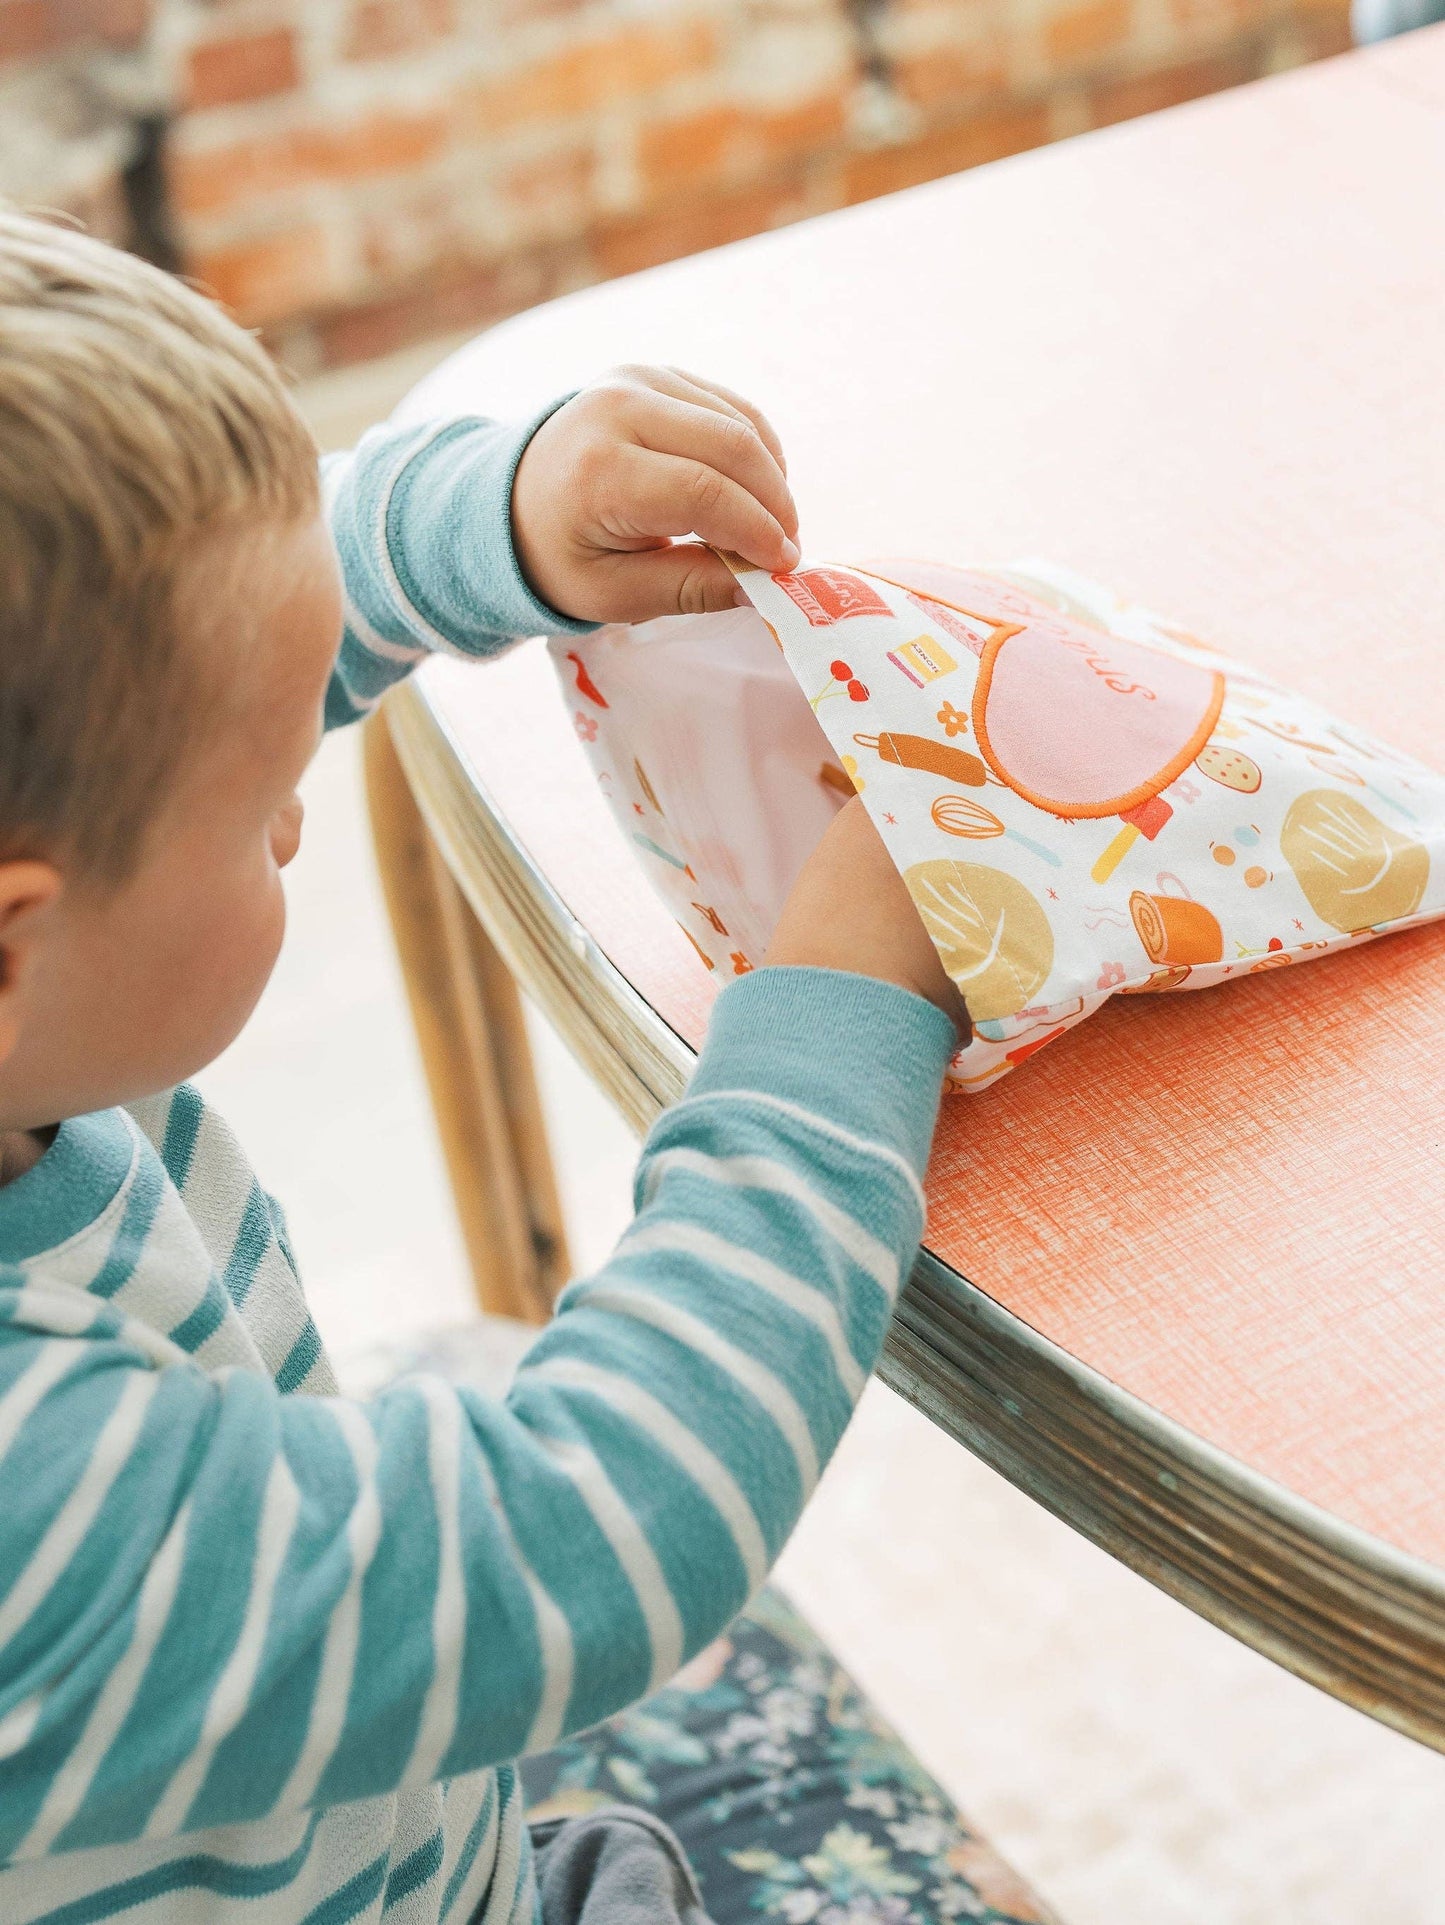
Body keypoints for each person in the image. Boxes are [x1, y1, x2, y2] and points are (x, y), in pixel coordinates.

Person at [0, 208, 971, 1925]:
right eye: (255, 812)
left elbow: (185, 652)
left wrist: (491, 520)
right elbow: (594, 1525)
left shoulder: (38, 1002)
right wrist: (834, 1012)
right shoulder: (32, 1507)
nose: (296, 792)